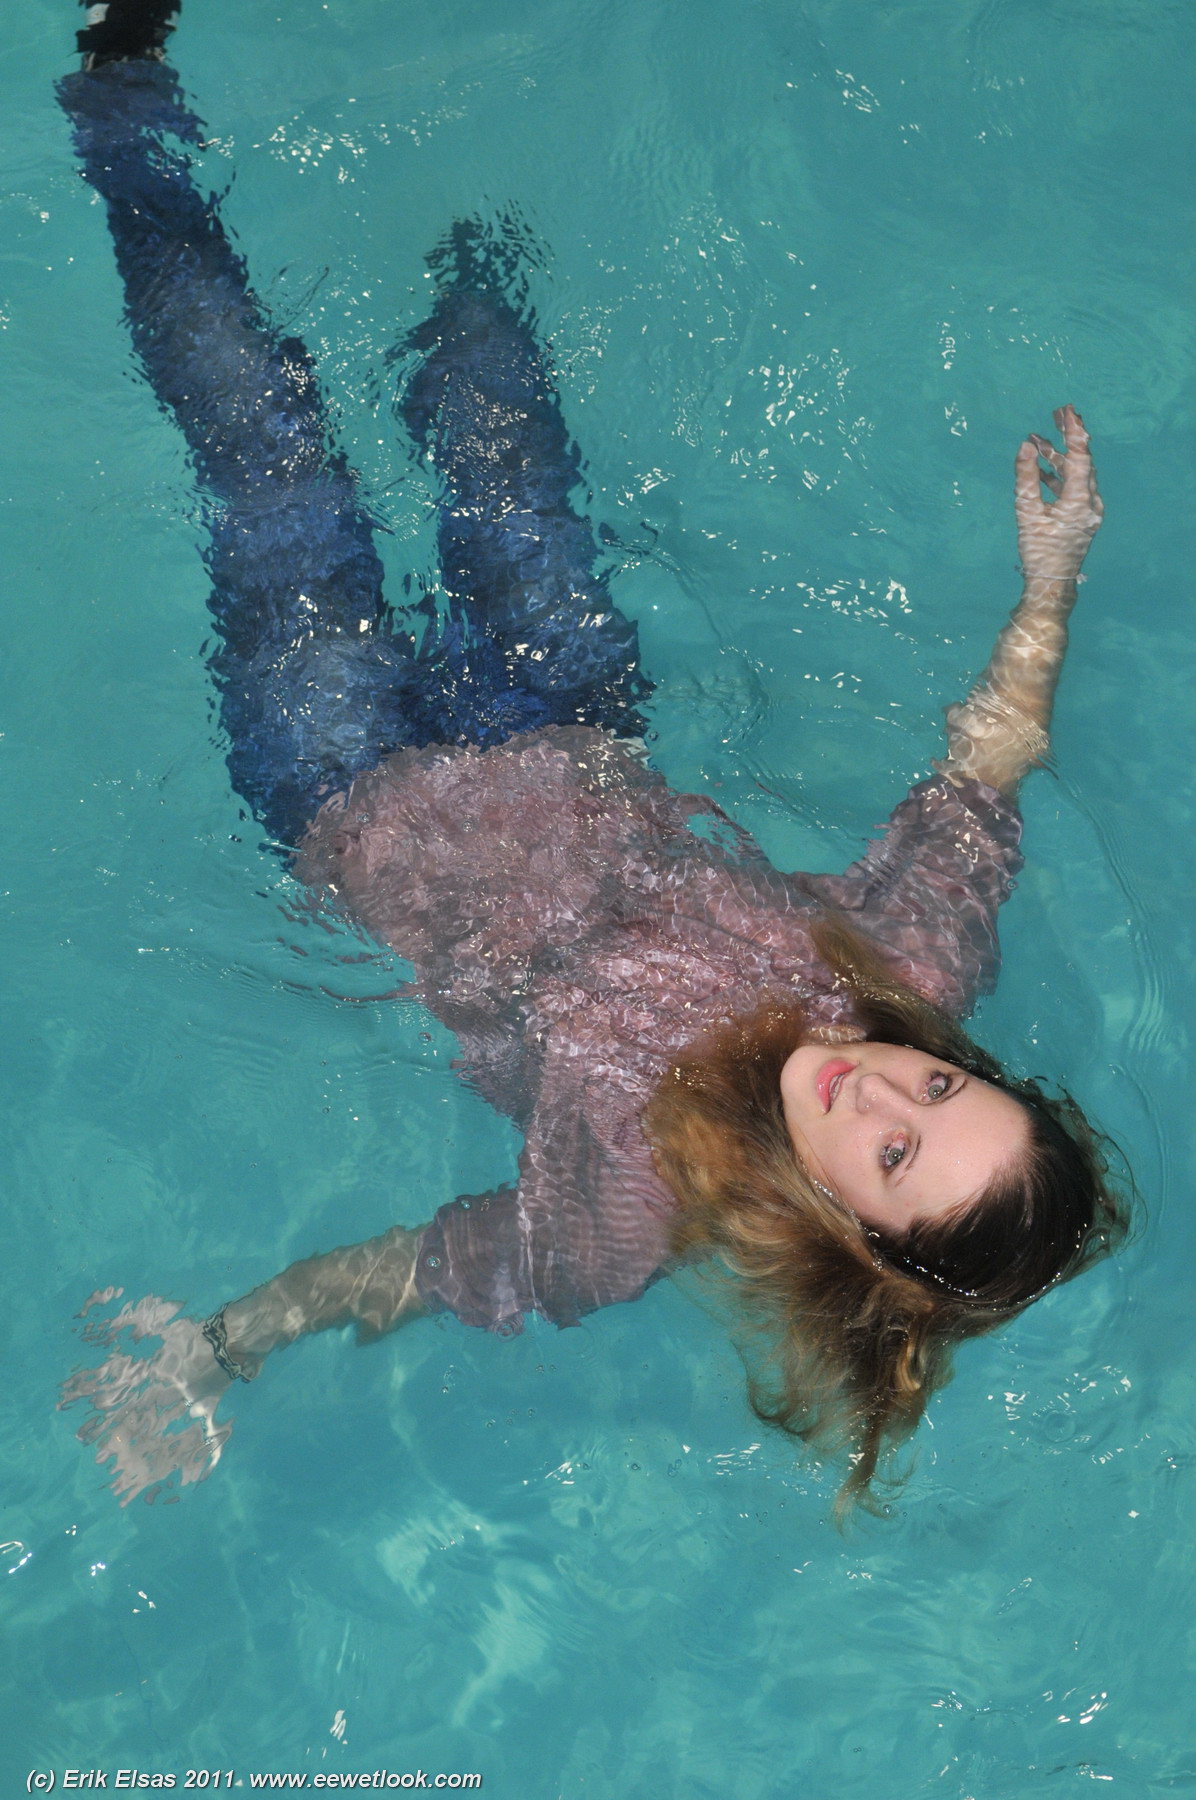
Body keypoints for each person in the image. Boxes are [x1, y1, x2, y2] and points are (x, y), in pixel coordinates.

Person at [58, 0, 1127, 1513]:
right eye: (943, 1092)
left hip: (347, 789)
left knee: (266, 443)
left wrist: (219, 1351)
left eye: (897, 1160)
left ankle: (118, 90)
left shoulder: (635, 1206)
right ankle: (451, 159)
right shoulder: (906, 970)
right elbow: (984, 779)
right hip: (564, 718)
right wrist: (1050, 584)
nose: (884, 1095)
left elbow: (436, 1263)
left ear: (854, 1241)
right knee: (491, 393)